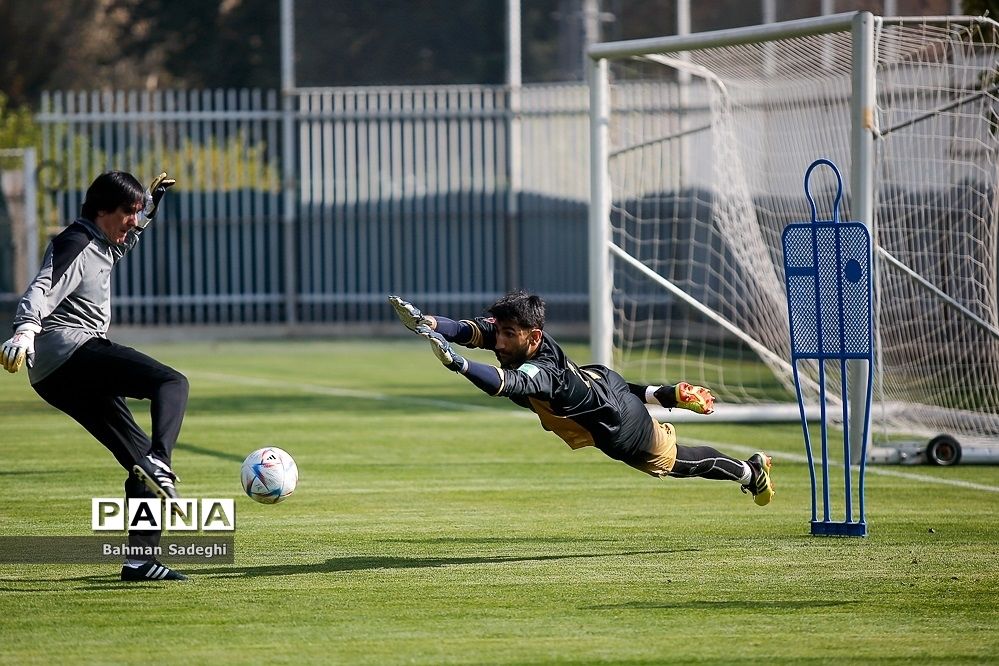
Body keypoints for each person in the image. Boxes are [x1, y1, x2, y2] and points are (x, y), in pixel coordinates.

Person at [389, 291, 775, 505]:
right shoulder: (520, 335)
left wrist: (460, 365)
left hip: (621, 427)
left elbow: (506, 384)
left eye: (508, 334)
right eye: (500, 332)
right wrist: (427, 322)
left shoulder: (544, 374)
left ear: (533, 337)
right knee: (620, 391)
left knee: (678, 463)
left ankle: (750, 472)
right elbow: (469, 330)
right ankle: (665, 393)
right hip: (602, 384)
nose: (499, 340)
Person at [1, 171, 191, 581]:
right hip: (69, 351)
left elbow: (131, 234)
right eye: (128, 212)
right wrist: (24, 328)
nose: (132, 222)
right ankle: (160, 462)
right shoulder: (76, 240)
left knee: (139, 463)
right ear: (103, 210)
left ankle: (139, 561)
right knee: (172, 383)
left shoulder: (105, 242)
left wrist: (149, 206)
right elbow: (41, 286)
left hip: (56, 374)